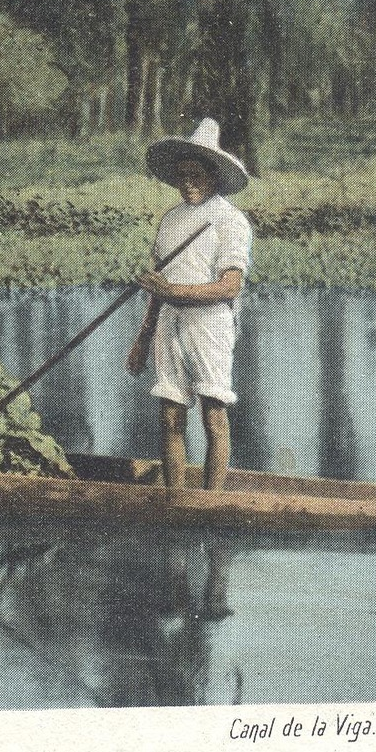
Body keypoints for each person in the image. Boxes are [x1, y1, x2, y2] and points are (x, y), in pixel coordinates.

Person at [127, 118, 253, 492]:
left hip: (210, 325)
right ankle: (176, 499)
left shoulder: (231, 221)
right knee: (169, 415)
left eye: (196, 174)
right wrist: (143, 337)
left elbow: (230, 287)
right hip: (169, 323)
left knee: (214, 416)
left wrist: (172, 291)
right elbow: (158, 287)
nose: (188, 182)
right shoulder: (170, 220)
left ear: (213, 175)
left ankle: (211, 501)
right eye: (181, 175)